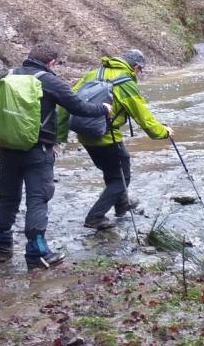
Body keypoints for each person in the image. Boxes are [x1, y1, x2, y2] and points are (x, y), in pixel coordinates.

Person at [0, 43, 111, 270]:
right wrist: (104, 109)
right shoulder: (49, 81)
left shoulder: (6, 77)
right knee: (37, 199)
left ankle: (1, 247)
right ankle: (38, 253)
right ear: (51, 63)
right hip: (39, 151)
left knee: (8, 197)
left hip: (9, 149)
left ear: (28, 57)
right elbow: (79, 107)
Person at [58, 49, 172, 231]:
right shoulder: (125, 82)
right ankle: (95, 217)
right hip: (107, 136)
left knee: (112, 171)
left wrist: (59, 134)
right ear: (135, 67)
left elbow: (68, 101)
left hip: (84, 133)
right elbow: (142, 115)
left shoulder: (94, 73)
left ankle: (122, 204)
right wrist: (162, 132)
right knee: (122, 178)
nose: (139, 74)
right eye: (140, 70)